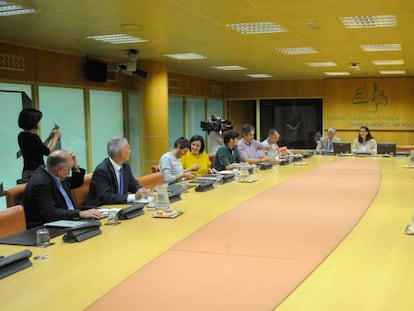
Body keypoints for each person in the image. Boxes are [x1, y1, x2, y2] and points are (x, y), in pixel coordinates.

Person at [23, 150, 102, 228]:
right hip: (48, 228)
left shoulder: (54, 174)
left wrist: (75, 167)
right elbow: (50, 213)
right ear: (60, 170)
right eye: (68, 170)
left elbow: (76, 183)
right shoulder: (39, 184)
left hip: (68, 220)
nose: (68, 173)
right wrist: (80, 213)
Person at [86, 137, 149, 206]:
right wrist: (134, 197)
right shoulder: (102, 171)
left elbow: (133, 185)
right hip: (100, 209)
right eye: (128, 148)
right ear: (121, 152)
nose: (130, 151)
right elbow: (105, 197)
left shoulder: (125, 167)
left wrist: (142, 191)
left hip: (119, 206)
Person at [17, 108, 61, 182]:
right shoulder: (33, 137)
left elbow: (39, 149)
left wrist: (49, 138)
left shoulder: (21, 136)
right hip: (36, 172)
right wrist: (56, 137)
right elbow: (48, 152)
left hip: (27, 171)